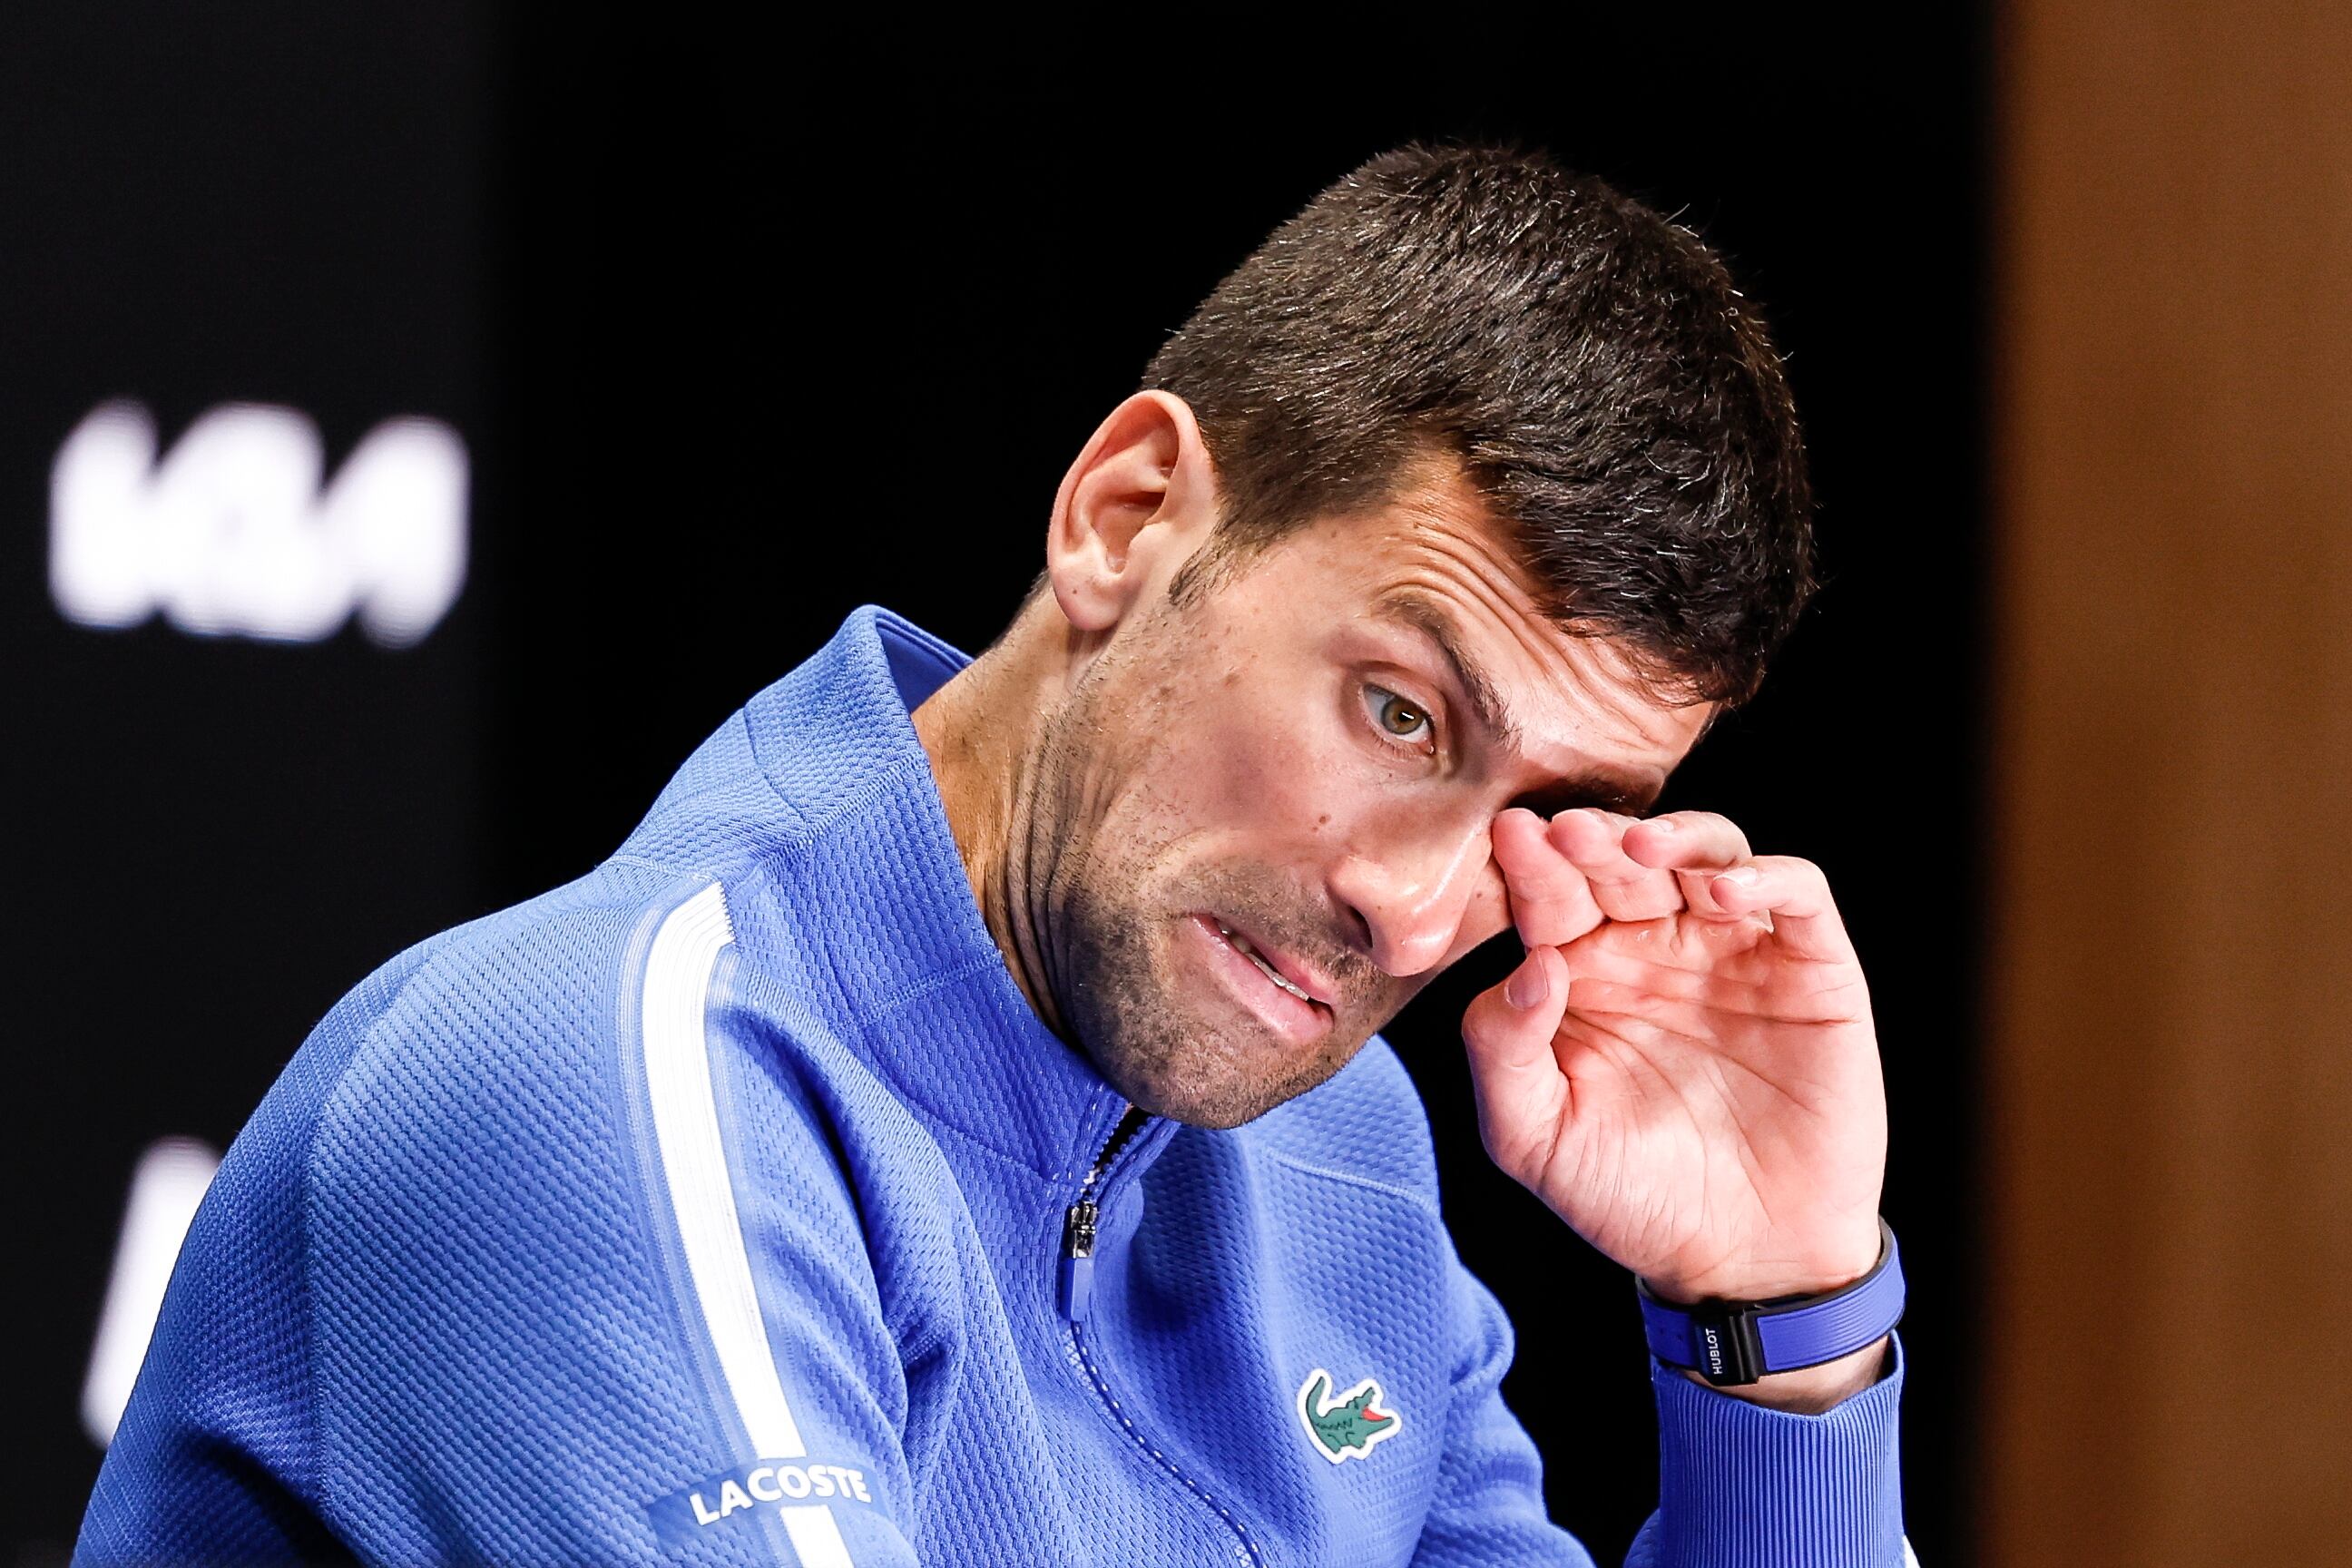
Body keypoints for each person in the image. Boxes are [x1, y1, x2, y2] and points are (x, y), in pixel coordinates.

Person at [76, 142, 1916, 1566]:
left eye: (1538, 814)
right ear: (1126, 518)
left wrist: (1780, 1322)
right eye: (1400, 715)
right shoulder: (596, 1086)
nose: (1423, 908)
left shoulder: (1335, 1159)